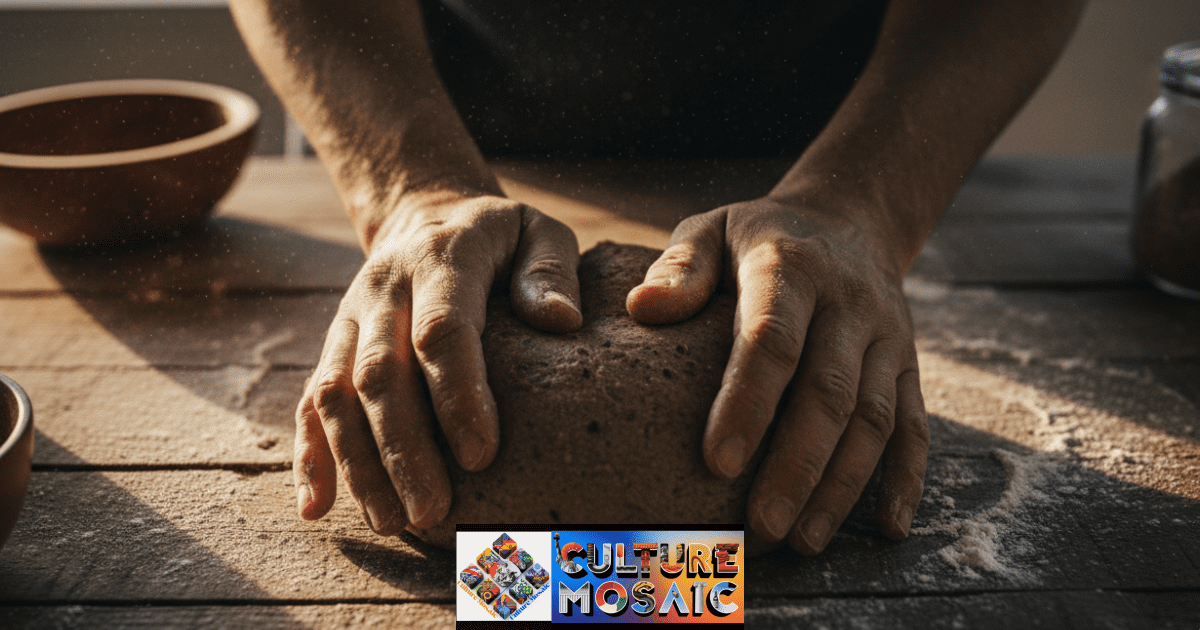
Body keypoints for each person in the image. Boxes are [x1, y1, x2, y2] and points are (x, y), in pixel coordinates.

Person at [228, 0, 1085, 554]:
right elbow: (542, 596)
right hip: (448, 117)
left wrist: (869, 204)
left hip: (848, 133)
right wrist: (411, 186)